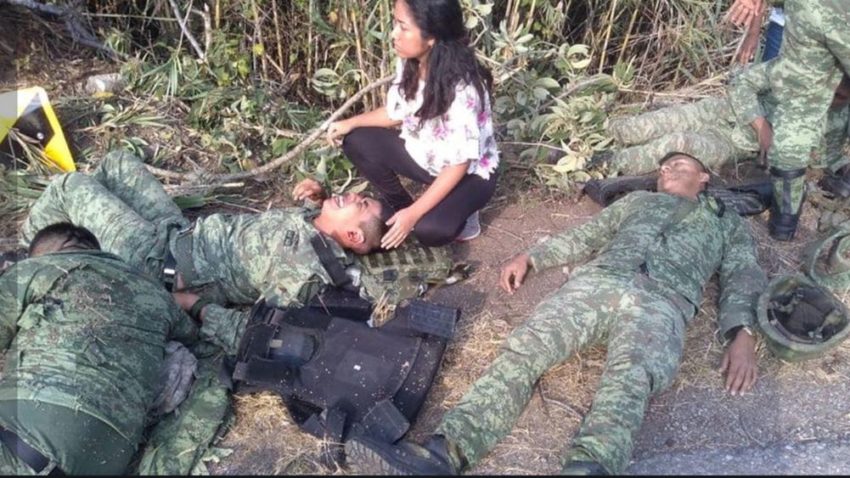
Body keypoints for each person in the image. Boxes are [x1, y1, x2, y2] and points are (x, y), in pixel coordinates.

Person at [345, 152, 766, 475]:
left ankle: (590, 467)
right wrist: (533, 257)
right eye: (664, 167)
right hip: (599, 282)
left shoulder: (726, 223)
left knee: (630, 379)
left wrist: (743, 332)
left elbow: (742, 273)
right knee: (526, 350)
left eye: (680, 165)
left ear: (704, 178)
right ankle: (443, 454)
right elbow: (588, 235)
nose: (668, 170)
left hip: (664, 302)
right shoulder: (638, 201)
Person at [21, 150, 389, 309]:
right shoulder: (314, 219)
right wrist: (321, 199)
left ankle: (24, 254)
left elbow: (267, 322)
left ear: (353, 237)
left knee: (69, 186)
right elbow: (308, 222)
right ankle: (75, 243)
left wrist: (194, 307)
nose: (352, 195)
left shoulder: (307, 268)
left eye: (360, 204)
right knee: (118, 163)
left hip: (155, 263)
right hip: (176, 232)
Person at [0, 223, 203, 474]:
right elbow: (192, 334)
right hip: (108, 458)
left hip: (21, 439)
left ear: (44, 253)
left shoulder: (34, 270)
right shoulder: (155, 293)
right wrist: (189, 304)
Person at [326, 0, 499, 248]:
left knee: (429, 230)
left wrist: (415, 215)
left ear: (432, 37)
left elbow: (459, 164)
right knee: (356, 140)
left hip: (468, 174)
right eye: (395, 24)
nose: (393, 34)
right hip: (426, 157)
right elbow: (396, 113)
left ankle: (464, 213)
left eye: (403, 27)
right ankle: (402, 207)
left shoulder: (463, 88)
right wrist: (350, 122)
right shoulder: (411, 60)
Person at [596, 63, 850, 198]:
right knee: (639, 127)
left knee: (679, 144)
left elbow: (827, 157)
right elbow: (742, 83)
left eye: (839, 97)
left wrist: (838, 168)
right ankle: (588, 136)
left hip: (734, 143)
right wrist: (761, 126)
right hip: (719, 111)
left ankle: (600, 164)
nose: (829, 98)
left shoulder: (840, 119)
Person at [726, 0, 850, 241]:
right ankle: (784, 216)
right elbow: (742, 84)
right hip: (741, 123)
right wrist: (761, 128)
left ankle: (785, 219)